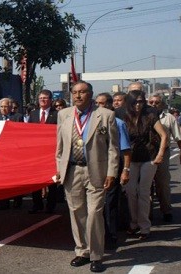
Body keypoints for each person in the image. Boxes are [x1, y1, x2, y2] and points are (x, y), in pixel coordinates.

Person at [56, 81, 119, 272]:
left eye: (82, 92)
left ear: (90, 94)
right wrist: (59, 168)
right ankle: (82, 251)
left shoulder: (106, 115)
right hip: (72, 171)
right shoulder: (63, 114)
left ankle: (96, 255)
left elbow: (113, 148)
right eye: (74, 92)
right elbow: (59, 147)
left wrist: (112, 172)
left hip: (97, 172)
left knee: (94, 214)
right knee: (77, 213)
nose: (78, 96)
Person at [122, 90, 167, 240]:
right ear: (129, 103)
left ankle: (144, 227)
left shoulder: (150, 115)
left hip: (149, 157)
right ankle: (134, 223)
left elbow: (164, 135)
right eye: (135, 102)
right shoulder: (124, 116)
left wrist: (160, 154)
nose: (138, 105)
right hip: (131, 158)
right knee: (130, 191)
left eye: (141, 101)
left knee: (143, 192)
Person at [95, 93, 132, 249]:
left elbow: (125, 151)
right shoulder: (91, 123)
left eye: (102, 103)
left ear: (110, 105)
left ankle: (110, 236)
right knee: (96, 204)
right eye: (97, 103)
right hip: (95, 169)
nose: (99, 107)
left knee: (110, 204)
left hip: (112, 169)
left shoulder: (118, 123)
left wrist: (125, 170)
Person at [148, 94, 180, 222]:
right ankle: (147, 213)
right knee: (146, 185)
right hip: (146, 154)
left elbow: (178, 137)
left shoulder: (169, 118)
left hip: (163, 153)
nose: (154, 104)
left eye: (157, 102)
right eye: (151, 102)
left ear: (162, 104)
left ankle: (166, 210)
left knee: (163, 183)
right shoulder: (143, 116)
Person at [0, 98, 23, 210]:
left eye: (6, 107)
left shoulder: (18, 117)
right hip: (0, 153)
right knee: (1, 179)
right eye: (2, 107)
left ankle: (17, 201)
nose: (4, 109)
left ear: (10, 107)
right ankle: (3, 203)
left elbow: (21, 133)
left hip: (14, 153)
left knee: (16, 178)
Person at [29, 90, 58, 214]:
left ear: (51, 100)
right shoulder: (33, 113)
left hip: (51, 153)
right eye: (41, 98)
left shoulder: (57, 114)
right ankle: (37, 204)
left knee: (52, 181)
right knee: (35, 180)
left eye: (45, 98)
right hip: (36, 153)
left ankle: (50, 206)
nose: (42, 100)